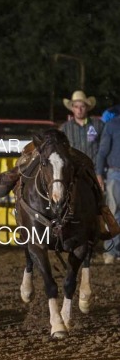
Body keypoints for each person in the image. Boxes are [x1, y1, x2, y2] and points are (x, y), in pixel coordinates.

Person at [96, 113, 120, 263]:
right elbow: (102, 151)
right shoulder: (113, 125)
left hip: (114, 173)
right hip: (115, 172)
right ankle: (111, 251)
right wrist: (99, 173)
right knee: (114, 213)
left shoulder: (111, 125)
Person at [60, 90, 104, 165]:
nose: (79, 110)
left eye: (82, 106)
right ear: (72, 108)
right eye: (76, 107)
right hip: (74, 170)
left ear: (87, 107)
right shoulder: (65, 128)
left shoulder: (98, 125)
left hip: (94, 169)